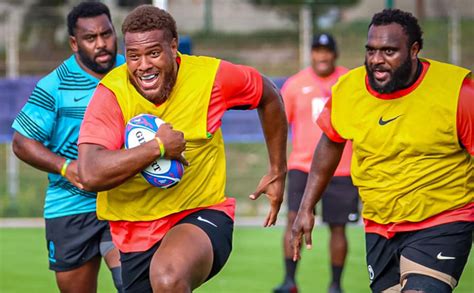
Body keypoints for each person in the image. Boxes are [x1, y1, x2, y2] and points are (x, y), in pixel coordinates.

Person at [77, 4, 287, 293]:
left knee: (167, 278)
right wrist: (158, 148)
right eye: (134, 56)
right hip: (134, 231)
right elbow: (89, 173)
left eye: (153, 53)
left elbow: (269, 95)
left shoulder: (211, 78)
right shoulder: (111, 93)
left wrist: (278, 169)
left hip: (200, 214)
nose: (143, 66)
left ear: (173, 46)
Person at [291, 8, 473, 293]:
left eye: (389, 51)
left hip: (443, 219)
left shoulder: (456, 94)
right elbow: (330, 140)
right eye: (371, 50)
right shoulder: (349, 89)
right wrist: (305, 207)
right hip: (379, 224)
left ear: (414, 50)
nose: (376, 60)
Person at [11, 2, 125, 292]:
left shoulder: (132, 71)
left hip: (125, 201)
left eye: (107, 34)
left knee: (134, 284)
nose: (101, 44)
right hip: (71, 206)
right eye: (90, 38)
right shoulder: (55, 85)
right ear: (74, 43)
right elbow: (22, 142)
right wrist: (66, 167)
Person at [274, 33, 358, 293]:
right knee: (292, 220)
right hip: (303, 167)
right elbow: (279, 126)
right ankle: (290, 281)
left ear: (335, 54)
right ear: (311, 54)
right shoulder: (295, 85)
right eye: (317, 51)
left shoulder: (349, 83)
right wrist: (277, 166)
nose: (322, 56)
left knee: (338, 227)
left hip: (342, 167)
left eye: (327, 51)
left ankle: (335, 285)